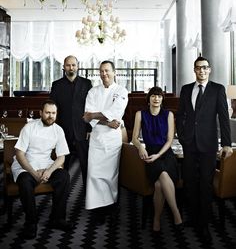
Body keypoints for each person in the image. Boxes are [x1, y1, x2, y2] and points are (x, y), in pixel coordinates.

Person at [176, 56, 233, 243]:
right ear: (194, 70)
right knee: (190, 182)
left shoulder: (217, 89)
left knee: (206, 184)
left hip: (208, 145)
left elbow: (224, 118)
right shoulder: (186, 90)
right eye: (198, 68)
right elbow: (180, 115)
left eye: (205, 68)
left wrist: (226, 143)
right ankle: (193, 218)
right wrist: (183, 136)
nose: (201, 71)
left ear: (210, 70)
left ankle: (205, 224)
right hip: (189, 144)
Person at [11, 99, 72, 239]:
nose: (50, 116)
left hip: (46, 164)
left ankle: (57, 218)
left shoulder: (58, 130)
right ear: (41, 113)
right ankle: (31, 223)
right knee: (25, 182)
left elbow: (61, 157)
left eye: (53, 113)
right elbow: (19, 154)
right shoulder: (29, 128)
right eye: (47, 113)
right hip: (26, 166)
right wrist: (34, 173)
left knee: (64, 177)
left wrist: (48, 171)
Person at [132, 86, 182, 234]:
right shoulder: (140, 114)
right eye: (153, 96)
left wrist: (159, 155)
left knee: (160, 183)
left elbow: (169, 140)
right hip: (149, 153)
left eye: (159, 96)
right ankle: (176, 214)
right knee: (161, 178)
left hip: (165, 153)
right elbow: (134, 138)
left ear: (162, 99)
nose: (156, 99)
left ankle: (157, 218)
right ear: (148, 99)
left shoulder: (169, 115)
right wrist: (140, 147)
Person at [83, 60, 128, 224]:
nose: (104, 74)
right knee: (94, 173)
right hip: (97, 138)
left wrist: (95, 115)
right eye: (101, 71)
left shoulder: (122, 90)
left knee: (111, 175)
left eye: (107, 70)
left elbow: (116, 112)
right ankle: (97, 210)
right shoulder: (93, 91)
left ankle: (111, 206)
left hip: (112, 139)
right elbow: (87, 116)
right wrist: (104, 120)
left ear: (114, 72)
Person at [50, 55, 92, 188]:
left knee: (86, 165)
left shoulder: (87, 83)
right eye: (68, 65)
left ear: (77, 66)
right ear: (64, 67)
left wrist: (90, 129)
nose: (71, 67)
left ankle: (88, 195)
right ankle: (62, 192)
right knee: (62, 166)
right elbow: (52, 108)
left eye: (73, 65)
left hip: (82, 131)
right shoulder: (56, 85)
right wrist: (54, 130)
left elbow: (91, 107)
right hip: (63, 131)